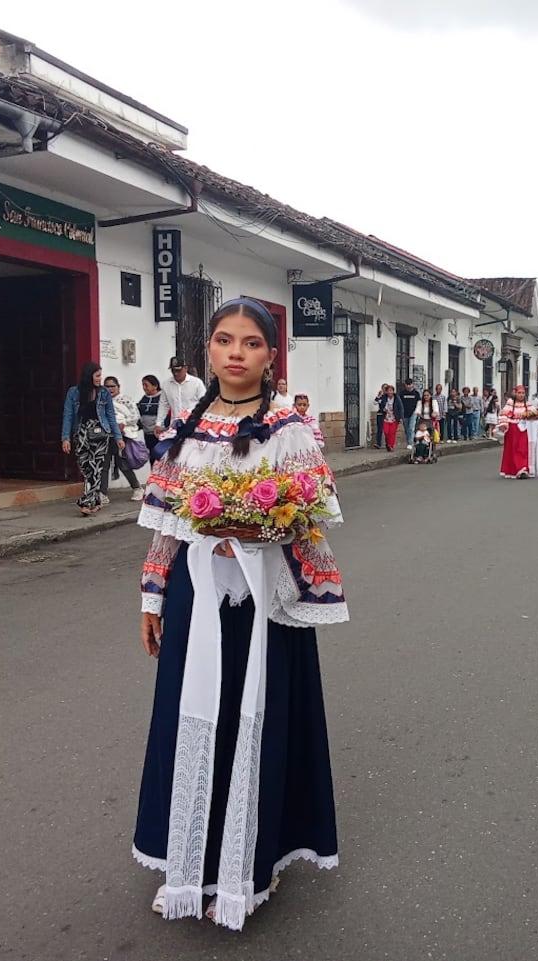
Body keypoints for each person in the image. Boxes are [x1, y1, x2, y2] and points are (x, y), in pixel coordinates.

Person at [134, 296, 347, 929]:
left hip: (261, 604)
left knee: (256, 721)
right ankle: (185, 865)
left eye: (251, 343)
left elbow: (310, 516)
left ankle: (251, 867)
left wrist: (256, 532)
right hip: (195, 598)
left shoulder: (288, 430)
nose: (236, 353)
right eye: (225, 340)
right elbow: (166, 526)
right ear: (209, 349)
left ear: (271, 355)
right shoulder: (185, 428)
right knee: (189, 720)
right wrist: (152, 595)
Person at [61, 362, 123, 516]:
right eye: (97, 376)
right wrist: (65, 438)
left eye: (100, 375)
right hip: (82, 434)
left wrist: (118, 437)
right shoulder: (74, 393)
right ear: (89, 376)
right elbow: (68, 415)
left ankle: (87, 503)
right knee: (86, 467)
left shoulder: (103, 393)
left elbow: (110, 415)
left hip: (100, 434)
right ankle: (96, 500)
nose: (100, 379)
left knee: (97, 468)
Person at [103, 375, 145, 502]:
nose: (110, 389)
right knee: (104, 464)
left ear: (118, 387)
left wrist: (123, 424)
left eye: (112, 386)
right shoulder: (102, 401)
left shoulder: (125, 400)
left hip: (122, 436)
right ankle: (102, 493)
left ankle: (137, 487)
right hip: (105, 436)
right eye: (107, 387)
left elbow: (135, 416)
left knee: (122, 463)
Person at [496, 384, 538, 479]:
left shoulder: (528, 404)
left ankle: (523, 469)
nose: (521, 395)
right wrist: (504, 424)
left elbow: (535, 415)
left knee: (523, 449)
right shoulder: (510, 403)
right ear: (515, 393)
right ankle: (513, 469)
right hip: (512, 430)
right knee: (512, 450)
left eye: (523, 393)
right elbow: (504, 414)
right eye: (519, 393)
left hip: (524, 430)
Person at [155, 357, 207, 436]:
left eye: (178, 370)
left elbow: (204, 403)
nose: (175, 373)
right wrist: (159, 424)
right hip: (174, 427)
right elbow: (163, 405)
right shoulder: (166, 384)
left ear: (185, 368)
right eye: (173, 370)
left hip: (194, 425)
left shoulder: (196, 383)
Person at [139, 375, 163, 462]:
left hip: (159, 433)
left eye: (146, 385)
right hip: (147, 433)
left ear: (155, 386)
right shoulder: (144, 398)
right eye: (143, 385)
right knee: (152, 456)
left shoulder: (162, 398)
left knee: (159, 456)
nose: (144, 388)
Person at [376, 384, 403, 451]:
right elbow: (378, 404)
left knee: (392, 433)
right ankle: (388, 444)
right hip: (386, 418)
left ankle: (391, 446)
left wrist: (401, 417)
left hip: (394, 418)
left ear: (393, 391)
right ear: (386, 391)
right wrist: (383, 409)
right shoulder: (384, 397)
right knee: (386, 432)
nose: (390, 392)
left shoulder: (397, 398)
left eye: (391, 390)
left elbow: (401, 408)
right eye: (388, 391)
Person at [398, 379, 420, 450]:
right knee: (406, 429)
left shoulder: (416, 393)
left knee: (411, 428)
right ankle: (409, 442)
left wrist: (417, 411)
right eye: (407, 384)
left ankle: (411, 443)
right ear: (405, 385)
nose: (408, 386)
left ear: (412, 384)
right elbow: (399, 404)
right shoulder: (402, 393)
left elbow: (419, 403)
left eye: (410, 384)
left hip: (413, 413)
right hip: (404, 413)